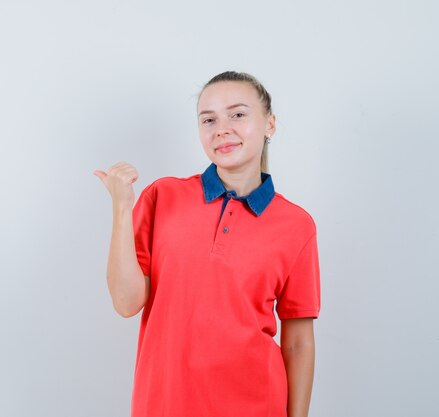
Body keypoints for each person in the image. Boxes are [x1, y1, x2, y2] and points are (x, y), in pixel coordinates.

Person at [93, 70, 321, 417]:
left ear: (269, 124)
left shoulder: (296, 225)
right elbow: (126, 302)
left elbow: (298, 342)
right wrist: (122, 207)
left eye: (238, 114)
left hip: (257, 405)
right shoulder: (163, 197)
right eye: (208, 119)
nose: (221, 129)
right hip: (165, 405)